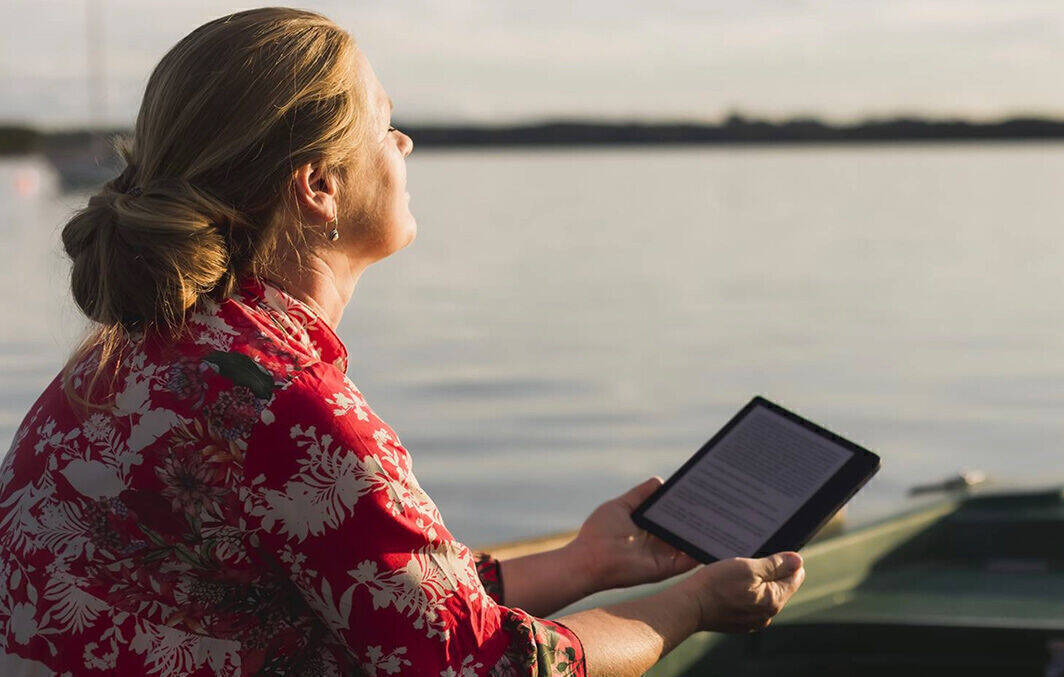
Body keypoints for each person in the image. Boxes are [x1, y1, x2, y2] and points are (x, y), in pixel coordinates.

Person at [0, 8, 806, 676]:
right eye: (386, 126)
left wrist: (591, 560)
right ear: (319, 187)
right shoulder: (287, 405)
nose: (406, 146)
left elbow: (377, 597)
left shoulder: (121, 357)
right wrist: (692, 603)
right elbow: (480, 666)